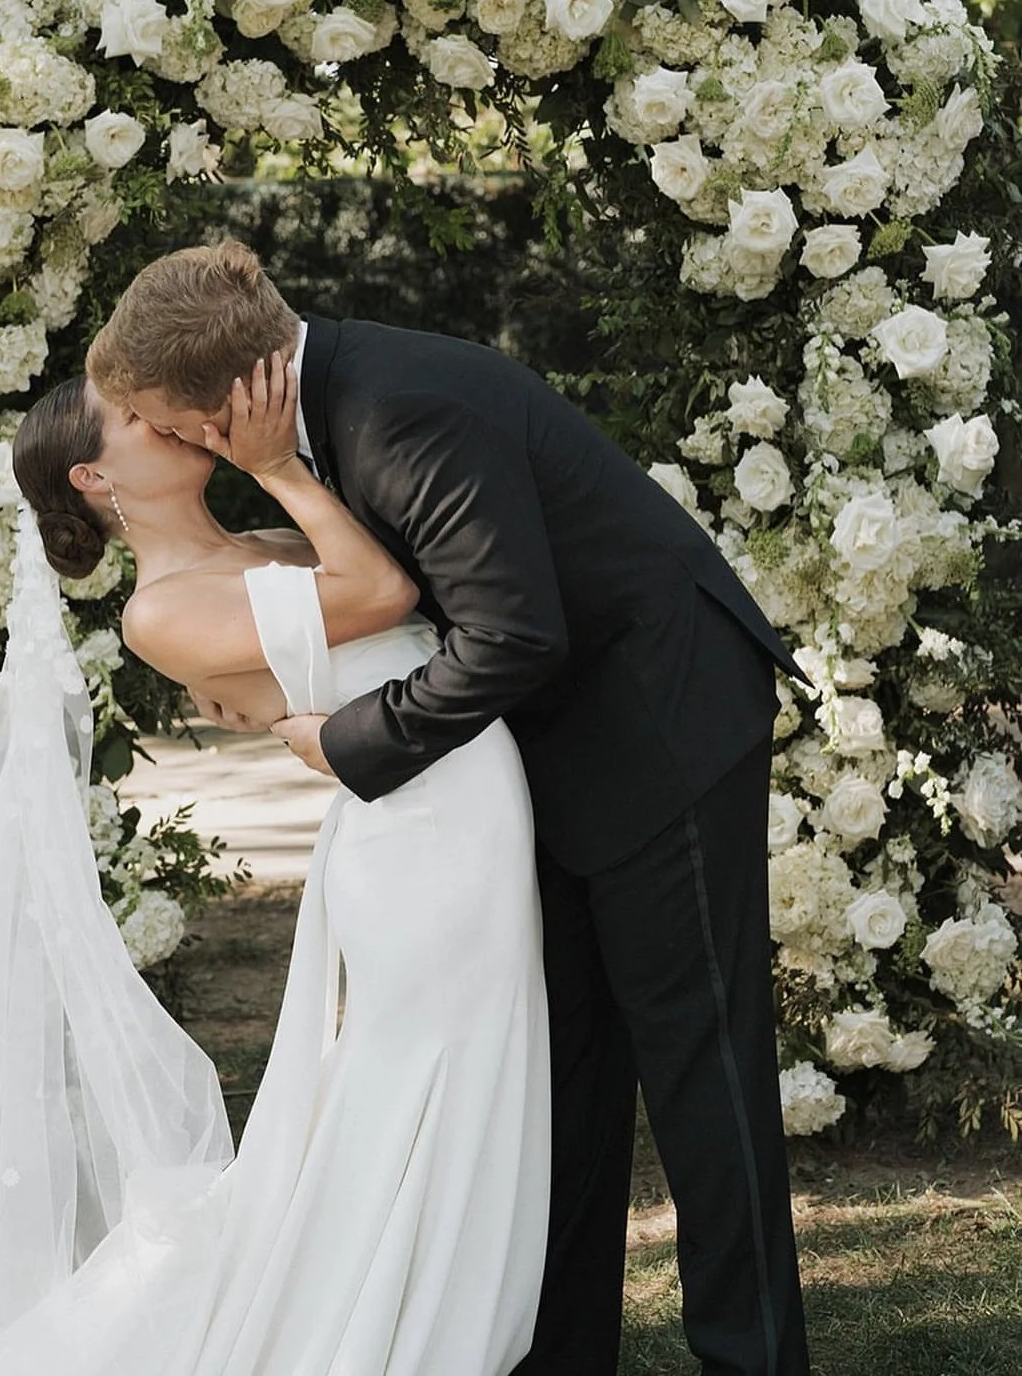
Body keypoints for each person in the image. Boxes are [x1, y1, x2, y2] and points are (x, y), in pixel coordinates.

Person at [85, 239, 815, 1376]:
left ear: (230, 404)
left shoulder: (395, 411)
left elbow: (513, 633)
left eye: (172, 424)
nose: (173, 445)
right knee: (567, 1071)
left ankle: (752, 1357)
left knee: (698, 1067)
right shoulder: (330, 412)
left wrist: (344, 739)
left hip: (658, 723)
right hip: (544, 763)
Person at [0, 352, 550, 1376]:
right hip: (417, 833)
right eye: (133, 419)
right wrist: (279, 461)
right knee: (414, 1079)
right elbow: (377, 589)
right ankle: (384, 1331)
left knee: (445, 1072)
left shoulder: (250, 542)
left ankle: (412, 1314)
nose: (164, 418)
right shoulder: (158, 609)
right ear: (91, 479)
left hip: (451, 808)